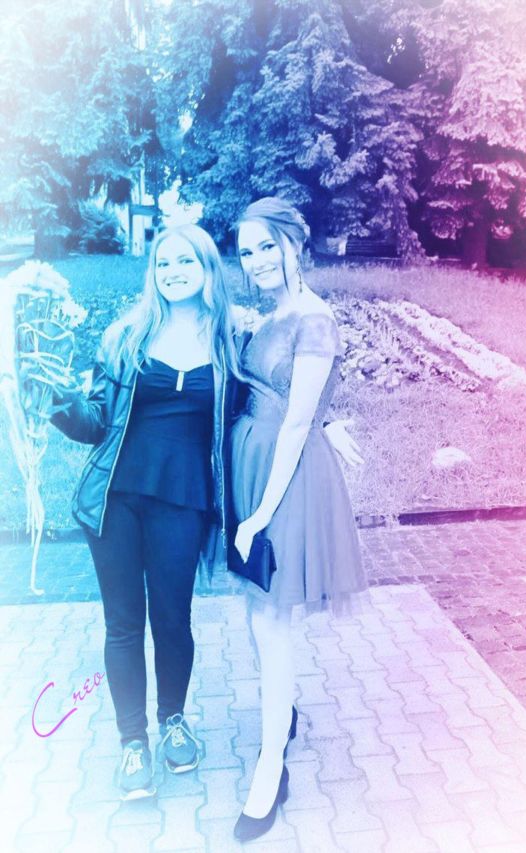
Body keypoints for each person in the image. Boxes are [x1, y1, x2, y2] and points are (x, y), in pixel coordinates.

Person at [46, 224, 358, 802]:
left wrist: (326, 422)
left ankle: (173, 721)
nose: (173, 272)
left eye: (185, 261)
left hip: (185, 501)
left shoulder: (230, 337)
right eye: (163, 263)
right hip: (116, 500)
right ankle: (133, 743)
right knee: (122, 624)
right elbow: (94, 421)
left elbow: (277, 388)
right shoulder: (126, 336)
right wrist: (56, 403)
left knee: (172, 619)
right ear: (153, 273)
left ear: (207, 267)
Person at [230, 197, 368, 841]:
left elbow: (294, 422)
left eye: (268, 245)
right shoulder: (272, 313)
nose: (257, 259)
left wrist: (260, 512)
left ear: (295, 244)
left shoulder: (314, 318)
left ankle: (269, 769)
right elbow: (285, 391)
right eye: (246, 250)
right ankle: (280, 715)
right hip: (253, 463)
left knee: (271, 615)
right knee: (258, 608)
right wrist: (329, 418)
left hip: (283, 479)